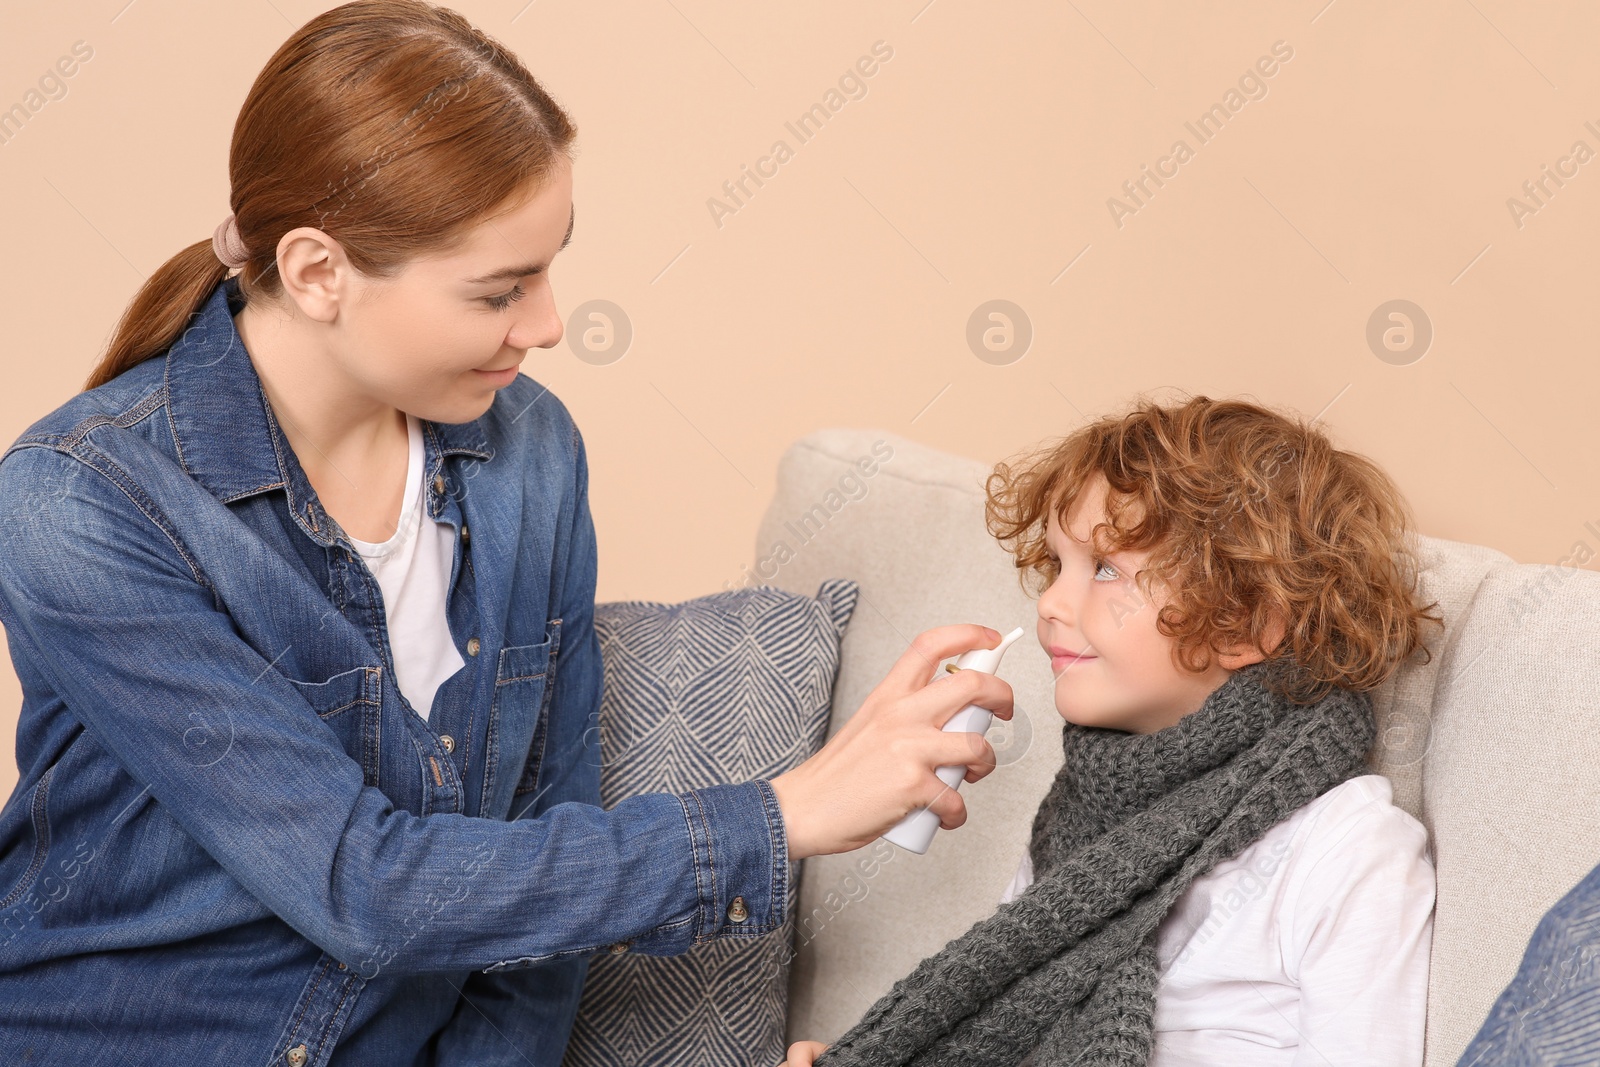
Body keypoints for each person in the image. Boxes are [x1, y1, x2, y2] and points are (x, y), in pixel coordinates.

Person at [0, 3, 1014, 1063]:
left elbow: (539, 867)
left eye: (546, 266)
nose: (546, 323)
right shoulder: (78, 503)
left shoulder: (530, 453)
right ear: (315, 272)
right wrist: (781, 813)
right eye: (498, 289)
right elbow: (363, 884)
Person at [784, 395, 1444, 1066]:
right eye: (1057, 563)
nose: (1050, 602)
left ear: (1248, 622)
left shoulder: (1346, 850)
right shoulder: (1074, 818)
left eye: (1104, 569)